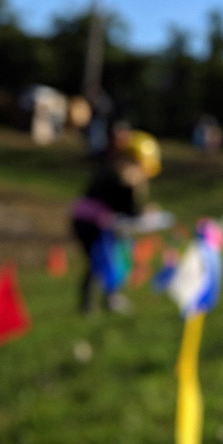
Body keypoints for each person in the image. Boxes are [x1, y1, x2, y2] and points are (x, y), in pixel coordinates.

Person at [70, 128, 163, 313]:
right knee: (98, 261)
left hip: (98, 222)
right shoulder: (120, 176)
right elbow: (125, 208)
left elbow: (125, 209)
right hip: (89, 222)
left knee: (114, 258)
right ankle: (90, 304)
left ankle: (107, 298)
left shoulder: (117, 172)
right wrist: (142, 214)